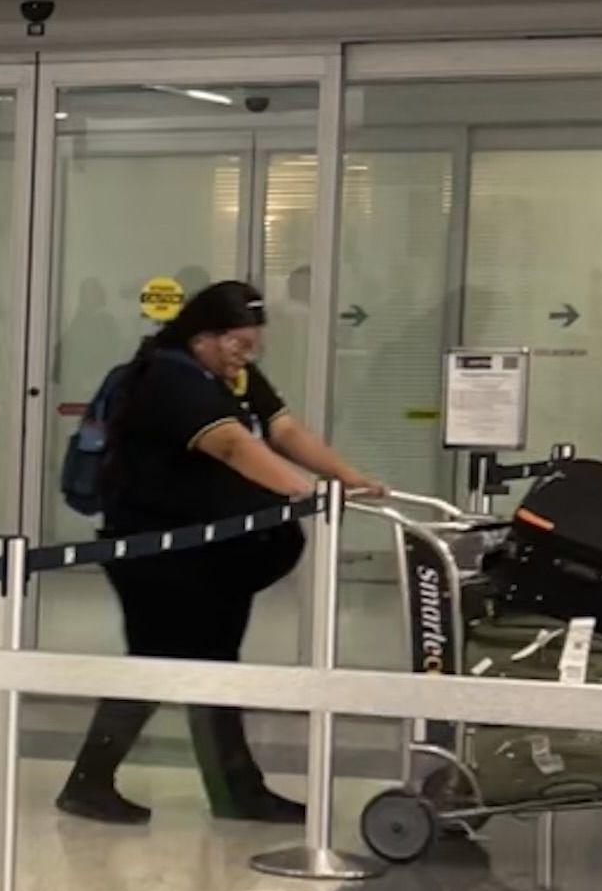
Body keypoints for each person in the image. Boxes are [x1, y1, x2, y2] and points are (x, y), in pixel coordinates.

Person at [55, 275, 381, 830]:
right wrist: (308, 493)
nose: (244, 357)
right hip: (155, 553)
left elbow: (282, 429)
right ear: (203, 336)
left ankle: (234, 789)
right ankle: (93, 783)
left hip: (207, 556)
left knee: (209, 663)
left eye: (253, 346)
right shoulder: (169, 379)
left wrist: (352, 478)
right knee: (161, 661)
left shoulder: (227, 374)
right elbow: (233, 444)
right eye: (237, 344)